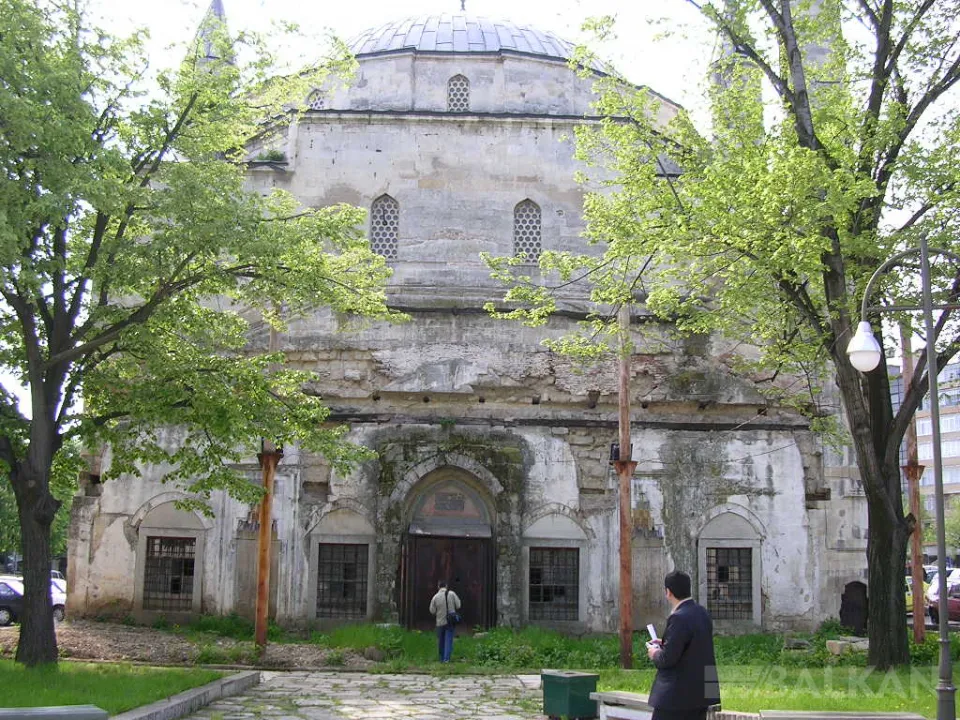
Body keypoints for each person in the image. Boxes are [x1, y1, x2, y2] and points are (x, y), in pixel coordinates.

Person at [646, 570, 721, 720]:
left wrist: (654, 652)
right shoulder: (702, 613)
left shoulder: (678, 617)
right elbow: (694, 645)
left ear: (668, 592)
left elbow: (667, 659)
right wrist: (665, 642)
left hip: (677, 697)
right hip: (702, 692)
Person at [428, 580, 461, 663]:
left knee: (441, 641)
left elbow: (432, 611)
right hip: (450, 621)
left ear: (438, 586)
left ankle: (441, 658)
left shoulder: (435, 597)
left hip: (440, 622)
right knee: (448, 640)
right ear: (446, 586)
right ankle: (447, 659)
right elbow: (458, 605)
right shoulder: (452, 594)